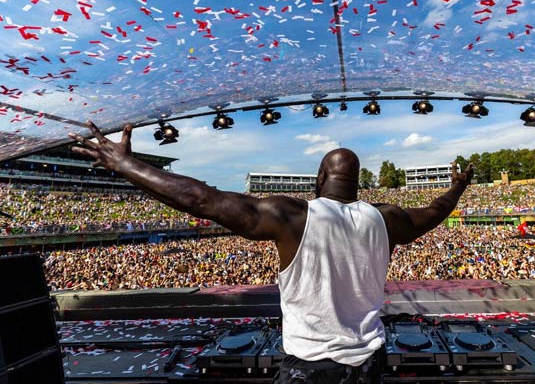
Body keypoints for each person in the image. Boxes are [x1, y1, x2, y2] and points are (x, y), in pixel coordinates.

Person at [69, 121, 473, 384]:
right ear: (357, 183)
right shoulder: (387, 219)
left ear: (318, 180)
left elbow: (200, 199)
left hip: (310, 368)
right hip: (370, 362)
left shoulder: (293, 216)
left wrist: (124, 165)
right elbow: (434, 213)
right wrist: (458, 187)